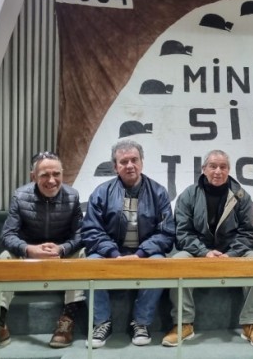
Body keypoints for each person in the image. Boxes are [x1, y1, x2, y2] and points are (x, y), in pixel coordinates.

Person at [0, 152, 85, 356]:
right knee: (4, 258)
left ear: (63, 174)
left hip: (60, 255)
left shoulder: (73, 196)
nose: (51, 180)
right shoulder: (20, 196)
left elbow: (80, 234)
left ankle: (66, 322)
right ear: (33, 177)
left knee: (83, 253)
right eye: (44, 175)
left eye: (56, 174)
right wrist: (30, 249)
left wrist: (62, 248)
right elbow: (7, 235)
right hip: (28, 255)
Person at [161, 150, 253, 348]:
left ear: (229, 170)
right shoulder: (188, 195)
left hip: (233, 253)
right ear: (203, 169)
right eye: (213, 166)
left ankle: (251, 323)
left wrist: (231, 254)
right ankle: (184, 324)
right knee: (178, 261)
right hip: (198, 252)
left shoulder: (241, 196)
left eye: (223, 167)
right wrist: (204, 252)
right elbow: (183, 234)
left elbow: (249, 233)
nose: (218, 171)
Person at [81, 139, 175, 349]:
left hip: (145, 253)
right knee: (89, 264)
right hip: (111, 252)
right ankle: (101, 323)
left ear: (142, 162)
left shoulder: (158, 192)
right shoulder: (101, 193)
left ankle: (141, 322)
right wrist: (114, 254)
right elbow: (91, 231)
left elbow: (166, 232)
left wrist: (141, 253)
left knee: (159, 264)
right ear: (115, 167)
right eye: (123, 161)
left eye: (134, 160)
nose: (129, 165)